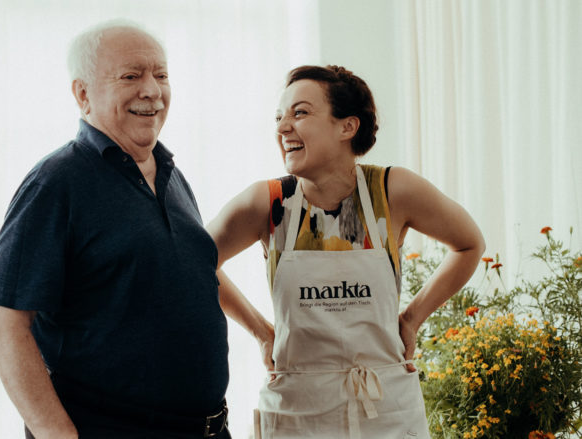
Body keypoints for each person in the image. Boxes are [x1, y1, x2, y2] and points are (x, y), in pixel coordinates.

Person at [0, 21, 231, 439]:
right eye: (132, 76)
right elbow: (0, 325)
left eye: (161, 75)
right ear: (83, 94)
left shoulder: (171, 175)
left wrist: (261, 330)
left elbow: (195, 271)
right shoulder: (56, 183)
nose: (152, 90)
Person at [207, 65, 485, 439]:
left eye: (300, 112)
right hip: (296, 412)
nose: (283, 127)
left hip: (386, 409)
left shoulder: (391, 191)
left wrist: (412, 319)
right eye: (279, 117)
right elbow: (196, 264)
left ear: (347, 127)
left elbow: (469, 244)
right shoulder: (269, 201)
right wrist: (261, 333)